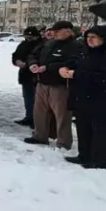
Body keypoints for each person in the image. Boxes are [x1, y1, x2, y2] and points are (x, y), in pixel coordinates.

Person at [60, 25, 106, 169]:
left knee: (100, 132)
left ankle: (98, 161)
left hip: (103, 100)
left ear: (104, 39)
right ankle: (84, 155)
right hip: (82, 98)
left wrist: (77, 74)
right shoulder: (85, 52)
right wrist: (64, 68)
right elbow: (74, 62)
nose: (89, 40)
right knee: (83, 128)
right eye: (88, 37)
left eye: (93, 37)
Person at [24, 21, 82, 150]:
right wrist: (33, 64)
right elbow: (33, 55)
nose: (53, 34)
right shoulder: (48, 44)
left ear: (68, 31)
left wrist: (49, 67)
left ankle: (63, 142)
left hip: (60, 85)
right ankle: (40, 135)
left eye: (57, 31)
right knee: (39, 112)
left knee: (62, 115)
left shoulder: (76, 46)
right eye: (53, 31)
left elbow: (73, 62)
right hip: (42, 82)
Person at [11, 26, 42, 126]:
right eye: (26, 37)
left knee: (37, 100)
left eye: (30, 37)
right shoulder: (23, 44)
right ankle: (29, 116)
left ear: (36, 36)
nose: (27, 39)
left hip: (37, 76)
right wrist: (17, 61)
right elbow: (15, 55)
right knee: (27, 98)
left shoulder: (42, 45)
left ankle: (37, 120)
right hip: (25, 75)